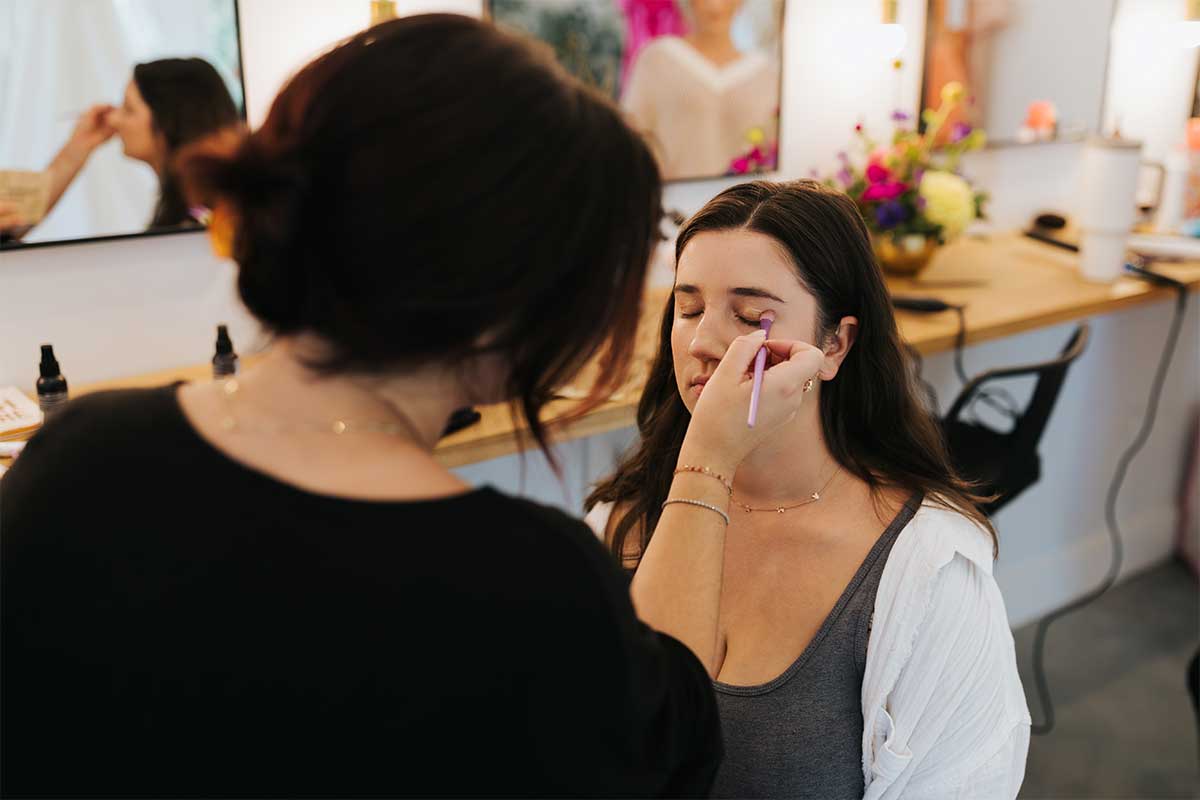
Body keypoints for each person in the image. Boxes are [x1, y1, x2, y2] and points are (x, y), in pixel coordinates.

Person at [1, 15, 820, 797]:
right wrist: (708, 460)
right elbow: (663, 754)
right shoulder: (525, 585)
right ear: (509, 301)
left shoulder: (80, 455)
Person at [587, 180, 1032, 798]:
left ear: (834, 344)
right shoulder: (624, 517)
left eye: (751, 317)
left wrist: (709, 454)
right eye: (687, 309)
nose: (703, 343)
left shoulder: (926, 572)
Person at [0, 57, 239, 241]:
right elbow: (14, 213)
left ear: (168, 123)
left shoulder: (209, 218)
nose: (113, 119)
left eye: (128, 109)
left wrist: (79, 146)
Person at [621, 0, 779, 180]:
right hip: (671, 195)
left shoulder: (766, 74)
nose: (715, 6)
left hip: (743, 197)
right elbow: (631, 143)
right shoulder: (657, 59)